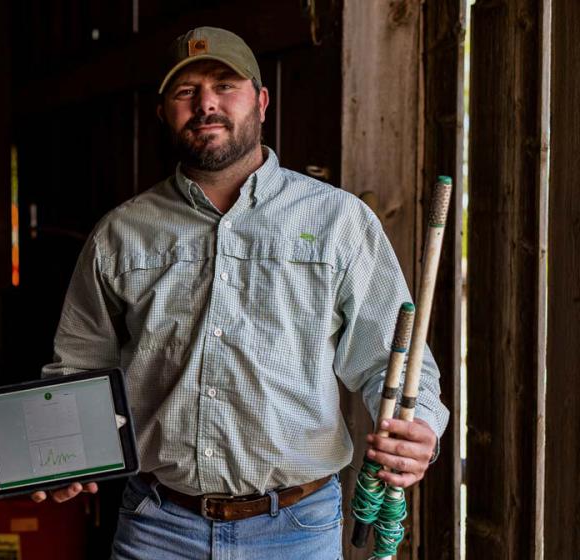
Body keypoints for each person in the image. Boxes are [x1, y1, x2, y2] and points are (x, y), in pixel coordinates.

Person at [30, 26, 449, 559]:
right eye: (185, 92)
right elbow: (79, 367)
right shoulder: (120, 234)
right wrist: (66, 454)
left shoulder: (338, 221)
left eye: (225, 84)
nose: (206, 103)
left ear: (262, 100)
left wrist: (421, 432)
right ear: (163, 112)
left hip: (297, 527)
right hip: (159, 524)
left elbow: (391, 359)